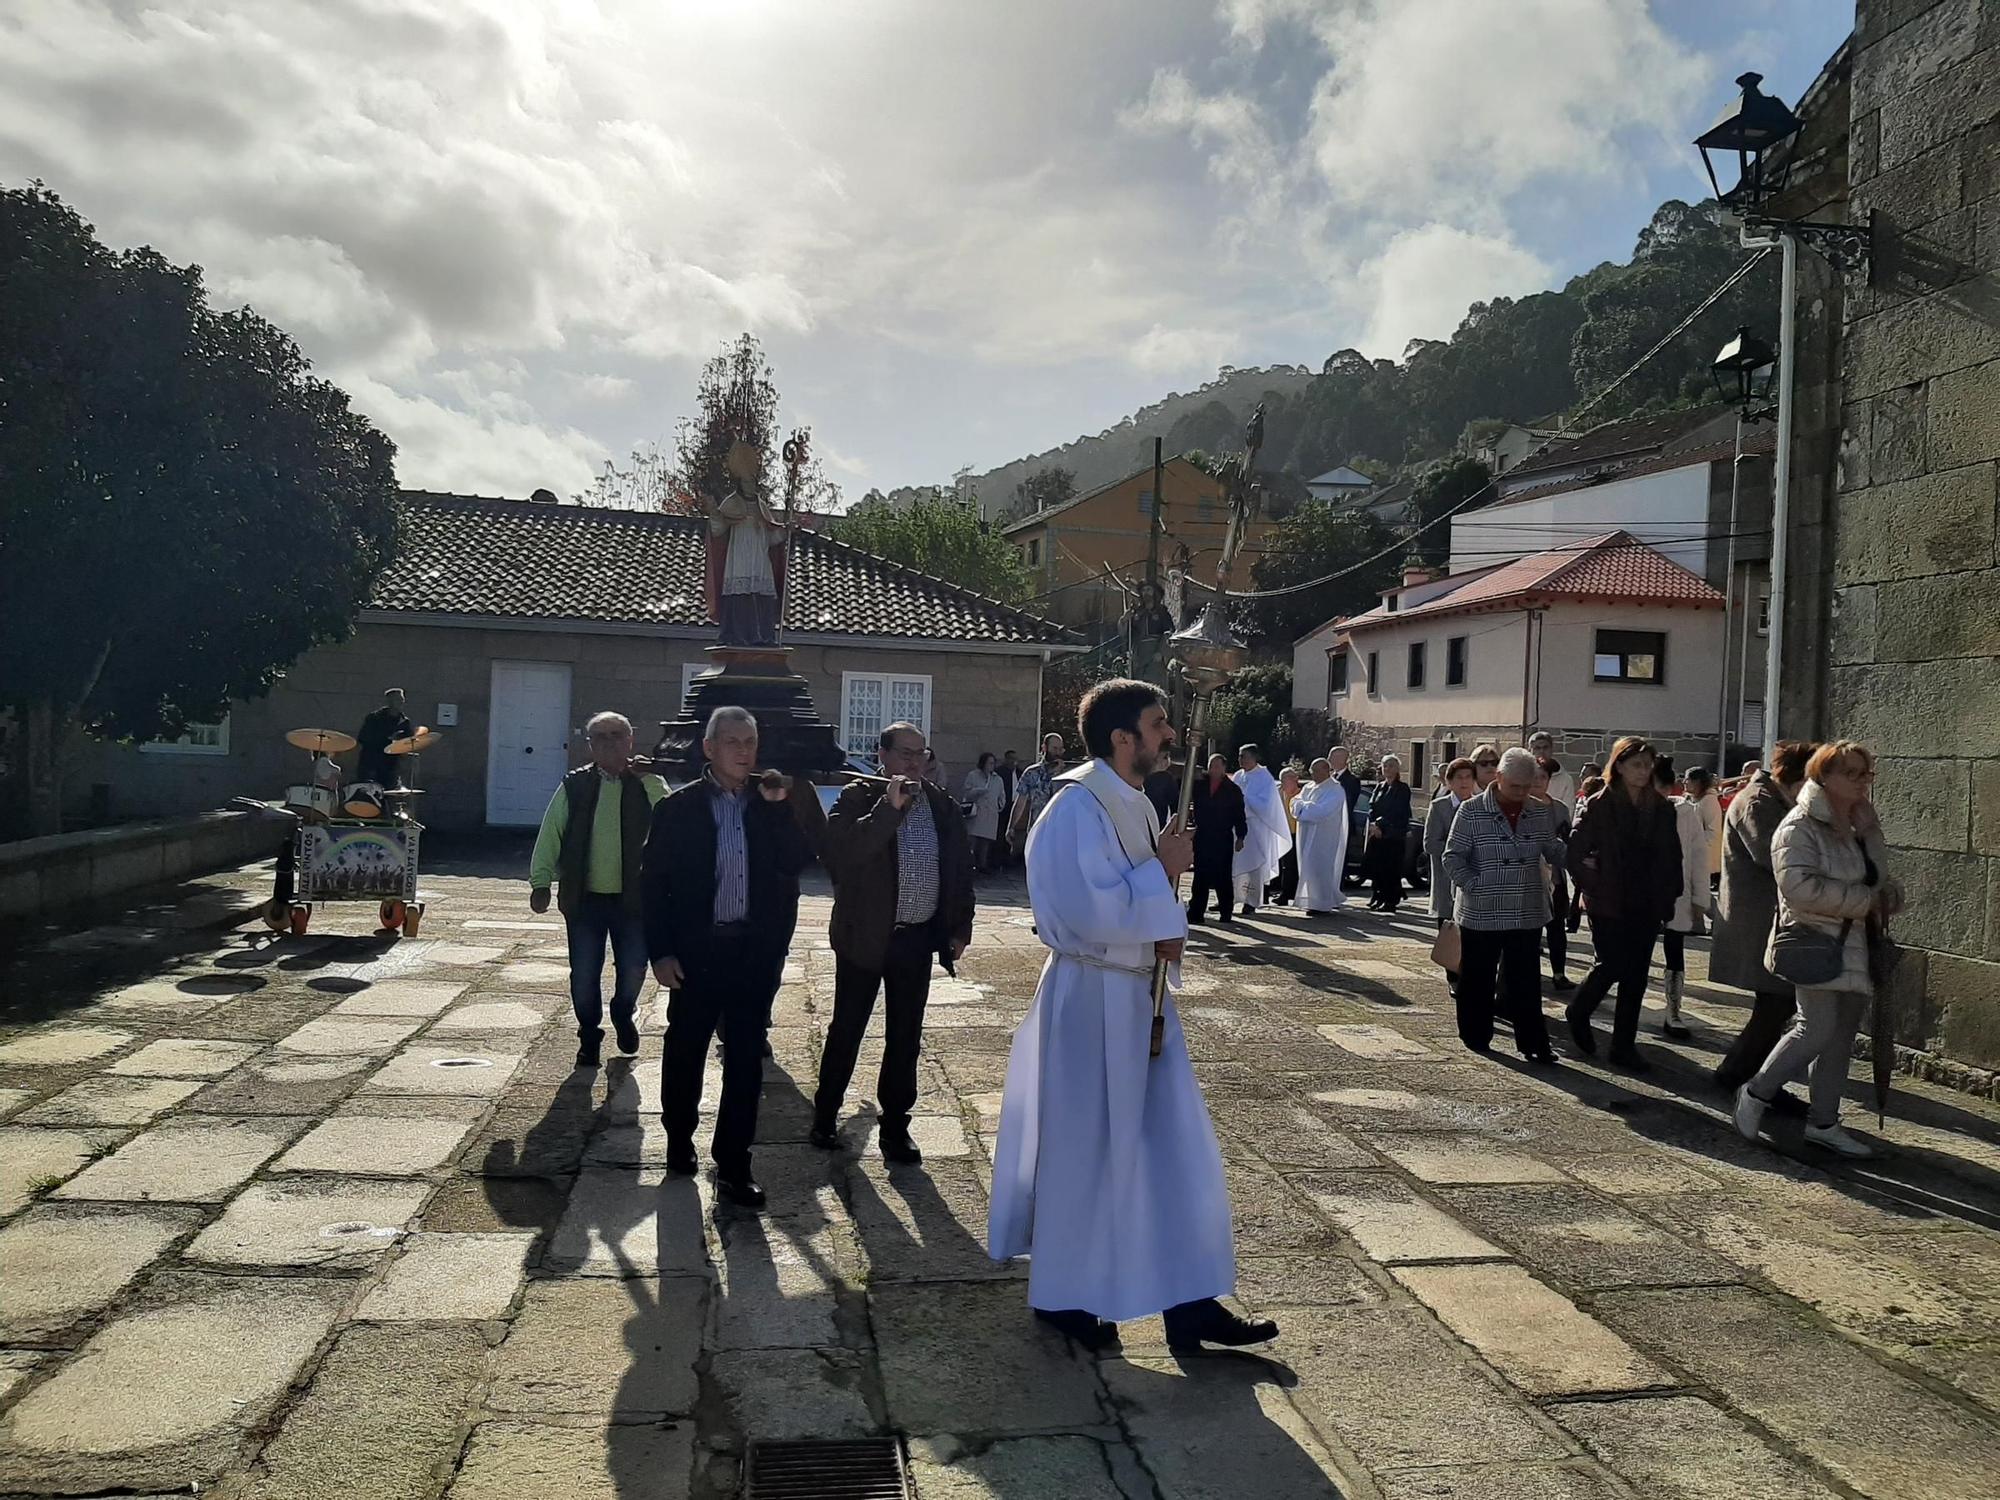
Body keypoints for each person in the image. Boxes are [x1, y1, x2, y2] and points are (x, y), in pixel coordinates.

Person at [988, 678, 1277, 1354]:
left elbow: (1141, 908)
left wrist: (1166, 923)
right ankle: (1064, 1297)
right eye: (1157, 724)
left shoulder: (1136, 803)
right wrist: (1159, 872)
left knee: (1172, 1150)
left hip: (1140, 1001)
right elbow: (1082, 914)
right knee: (1084, 1153)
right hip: (1089, 1004)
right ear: (1123, 739)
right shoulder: (1074, 808)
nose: (1169, 735)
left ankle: (1190, 1302)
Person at [643, 707, 816, 1210]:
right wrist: (661, 951)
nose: (745, 752)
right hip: (697, 952)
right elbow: (653, 886)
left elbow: (793, 862)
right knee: (686, 1050)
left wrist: (781, 808)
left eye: (751, 743)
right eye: (734, 742)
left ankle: (734, 1163)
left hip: (751, 952)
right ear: (709, 748)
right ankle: (679, 1137)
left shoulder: (768, 804)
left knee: (746, 1060)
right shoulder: (678, 809)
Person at [813, 721, 974, 1164]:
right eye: (904, 753)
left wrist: (960, 926)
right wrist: (889, 808)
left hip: (915, 938)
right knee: (848, 1028)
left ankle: (896, 1127)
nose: (913, 762)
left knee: (905, 1037)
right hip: (864, 937)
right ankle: (826, 1114)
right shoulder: (858, 797)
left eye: (920, 753)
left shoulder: (940, 805)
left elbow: (959, 869)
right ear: (881, 755)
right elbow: (842, 854)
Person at [1734, 741, 1902, 1158]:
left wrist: (1886, 885)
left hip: (1857, 943)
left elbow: (1875, 878)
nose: (1863, 782)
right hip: (1816, 942)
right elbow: (1799, 888)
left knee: (1841, 1036)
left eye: (1866, 773)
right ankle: (1755, 1093)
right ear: (1823, 776)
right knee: (1816, 1028)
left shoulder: (1861, 823)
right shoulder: (1799, 826)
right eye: (1852, 773)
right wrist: (1865, 902)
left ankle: (1824, 1122)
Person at [528, 712, 669, 1067]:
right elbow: (551, 834)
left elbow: (671, 818)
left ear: (631, 740)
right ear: (590, 745)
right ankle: (589, 1035)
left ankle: (624, 1012)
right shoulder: (574, 786)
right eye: (601, 737)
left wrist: (649, 779)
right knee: (585, 974)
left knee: (635, 969)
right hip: (585, 900)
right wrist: (540, 882)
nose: (610, 743)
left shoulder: (647, 783)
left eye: (617, 735)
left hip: (634, 900)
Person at [1563, 738, 1682, 1070]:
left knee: (1637, 976)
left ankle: (1623, 1046)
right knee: (1612, 964)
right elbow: (1575, 852)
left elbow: (1673, 856)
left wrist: (1670, 896)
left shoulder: (1661, 807)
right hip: (1609, 899)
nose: (1643, 772)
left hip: (1646, 899)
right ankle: (1579, 1009)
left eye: (1647, 765)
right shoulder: (1598, 805)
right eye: (1636, 765)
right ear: (1618, 766)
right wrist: (1594, 886)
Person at [1444, 747, 1566, 1063]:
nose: (1521, 793)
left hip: (1526, 908)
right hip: (1481, 909)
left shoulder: (1538, 811)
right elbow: (1452, 857)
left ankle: (1534, 1042)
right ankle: (1475, 1034)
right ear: (1498, 778)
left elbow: (1552, 849)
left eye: (1527, 787)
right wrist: (1474, 884)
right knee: (1477, 978)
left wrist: (1578, 852)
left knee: (1525, 981)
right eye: (1515, 787)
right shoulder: (1471, 811)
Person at [1712, 741, 1818, 1101]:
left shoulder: (1769, 798)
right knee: (1776, 1002)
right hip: (1757, 920)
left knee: (1778, 1004)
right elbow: (1772, 855)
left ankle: (1749, 1074)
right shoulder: (1758, 802)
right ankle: (1742, 1075)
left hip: (1767, 917)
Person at [703, 439, 789, 647]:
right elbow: (718, 530)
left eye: (752, 481)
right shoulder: (731, 503)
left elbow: (771, 538)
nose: (750, 485)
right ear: (740, 483)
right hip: (739, 558)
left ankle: (763, 635)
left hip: (759, 561)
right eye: (746, 481)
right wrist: (714, 512)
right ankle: (739, 635)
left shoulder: (761, 506)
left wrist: (786, 531)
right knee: (740, 596)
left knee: (762, 597)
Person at [1657, 756, 1711, 1040]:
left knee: (1675, 951)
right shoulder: (1631, 809)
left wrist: (1700, 898)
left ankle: (1673, 1010)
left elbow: (1699, 857)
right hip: (1640, 896)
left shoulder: (1686, 813)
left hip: (1676, 893)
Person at [1531, 757, 1576, 992]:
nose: (1539, 781)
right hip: (1531, 877)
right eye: (1535, 776)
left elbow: (1567, 842)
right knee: (1531, 931)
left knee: (1557, 927)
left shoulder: (1558, 808)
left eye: (1543, 777)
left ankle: (1559, 972)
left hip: (1555, 877)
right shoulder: (1523, 806)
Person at [1231, 744, 1291, 917]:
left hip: (1256, 829)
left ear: (1254, 758)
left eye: (1244, 756)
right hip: (1238, 828)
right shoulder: (1238, 775)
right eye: (1240, 756)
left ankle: (1251, 902)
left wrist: (1244, 798)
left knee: (1254, 865)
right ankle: (1231, 898)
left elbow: (1267, 805)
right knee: (1234, 864)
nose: (1241, 760)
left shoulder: (1264, 778)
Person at [1187, 754, 1247, 924]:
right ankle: (1196, 913)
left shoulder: (1233, 790)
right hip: (1203, 835)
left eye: (1217, 766)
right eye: (1211, 765)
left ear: (1224, 768)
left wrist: (1241, 836)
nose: (1213, 769)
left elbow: (1239, 815)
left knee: (1223, 876)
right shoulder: (1199, 785)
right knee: (1200, 876)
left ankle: (1226, 912)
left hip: (1223, 836)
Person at [1290, 758, 1349, 916]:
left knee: (1320, 868)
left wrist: (1304, 806)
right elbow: (1294, 803)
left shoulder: (1335, 790)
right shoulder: (1308, 787)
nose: (1312, 774)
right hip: (1306, 834)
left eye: (1315, 771)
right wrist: (1304, 807)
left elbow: (1321, 812)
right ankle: (1311, 901)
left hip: (1324, 837)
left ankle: (1322, 904)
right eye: (1311, 771)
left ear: (1325, 770)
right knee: (1308, 867)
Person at [1426, 759, 1477, 922]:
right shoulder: (1439, 807)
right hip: (1446, 881)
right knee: (1448, 936)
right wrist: (1460, 849)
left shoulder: (1481, 806)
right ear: (1449, 781)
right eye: (1459, 777)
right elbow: (1430, 844)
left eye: (1468, 777)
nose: (1464, 782)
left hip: (1475, 883)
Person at [1365, 754, 1412, 912]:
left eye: (1391, 765)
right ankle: (1378, 896)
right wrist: (1373, 824)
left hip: (1393, 834)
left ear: (1397, 768)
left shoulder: (1402, 788)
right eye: (1385, 766)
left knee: (1391, 868)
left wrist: (1380, 824)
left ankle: (1390, 900)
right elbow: (1372, 807)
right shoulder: (1379, 787)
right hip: (1378, 834)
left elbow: (1398, 811)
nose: (1387, 769)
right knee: (1377, 867)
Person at [1007, 733, 1066, 851]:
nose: (1057, 752)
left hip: (1060, 833)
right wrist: (1011, 826)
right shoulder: (1032, 772)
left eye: (1060, 749)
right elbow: (1020, 802)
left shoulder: (1068, 774)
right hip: (1037, 831)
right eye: (1054, 748)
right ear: (1044, 748)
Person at [355, 687, 413, 788]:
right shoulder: (374, 718)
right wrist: (388, 739)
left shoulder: (404, 722)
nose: (401, 703)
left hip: (391, 767)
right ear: (389, 701)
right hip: (371, 764)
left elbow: (408, 742)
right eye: (398, 700)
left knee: (388, 796)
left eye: (402, 700)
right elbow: (363, 738)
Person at [1685, 765, 1724, 902]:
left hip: (1701, 855)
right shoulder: (1693, 799)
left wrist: (1698, 850)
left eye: (1687, 780)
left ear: (1697, 782)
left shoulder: (1709, 801)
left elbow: (1712, 831)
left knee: (1700, 896)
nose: (1684, 783)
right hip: (1691, 853)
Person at [962, 753, 1005, 872]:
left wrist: (999, 806)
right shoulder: (973, 775)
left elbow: (1002, 796)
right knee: (973, 841)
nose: (992, 766)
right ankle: (970, 865)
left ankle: (982, 865)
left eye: (993, 763)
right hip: (976, 813)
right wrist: (978, 791)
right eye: (989, 763)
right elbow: (966, 793)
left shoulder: (997, 779)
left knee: (986, 842)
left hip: (990, 813)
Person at [1269, 766, 1303, 905]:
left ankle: (1292, 893)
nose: (1283, 783)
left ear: (1295, 779)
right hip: (1283, 833)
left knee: (1294, 866)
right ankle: (1284, 893)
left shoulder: (1302, 794)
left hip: (1298, 834)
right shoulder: (1278, 792)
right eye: (1282, 779)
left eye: (1287, 779)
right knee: (1285, 866)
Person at [1527, 731, 1576, 813]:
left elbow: (1568, 810)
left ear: (1552, 749)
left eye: (1545, 747)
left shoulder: (1565, 780)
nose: (1542, 751)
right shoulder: (1522, 775)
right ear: (1530, 750)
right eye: (1537, 748)